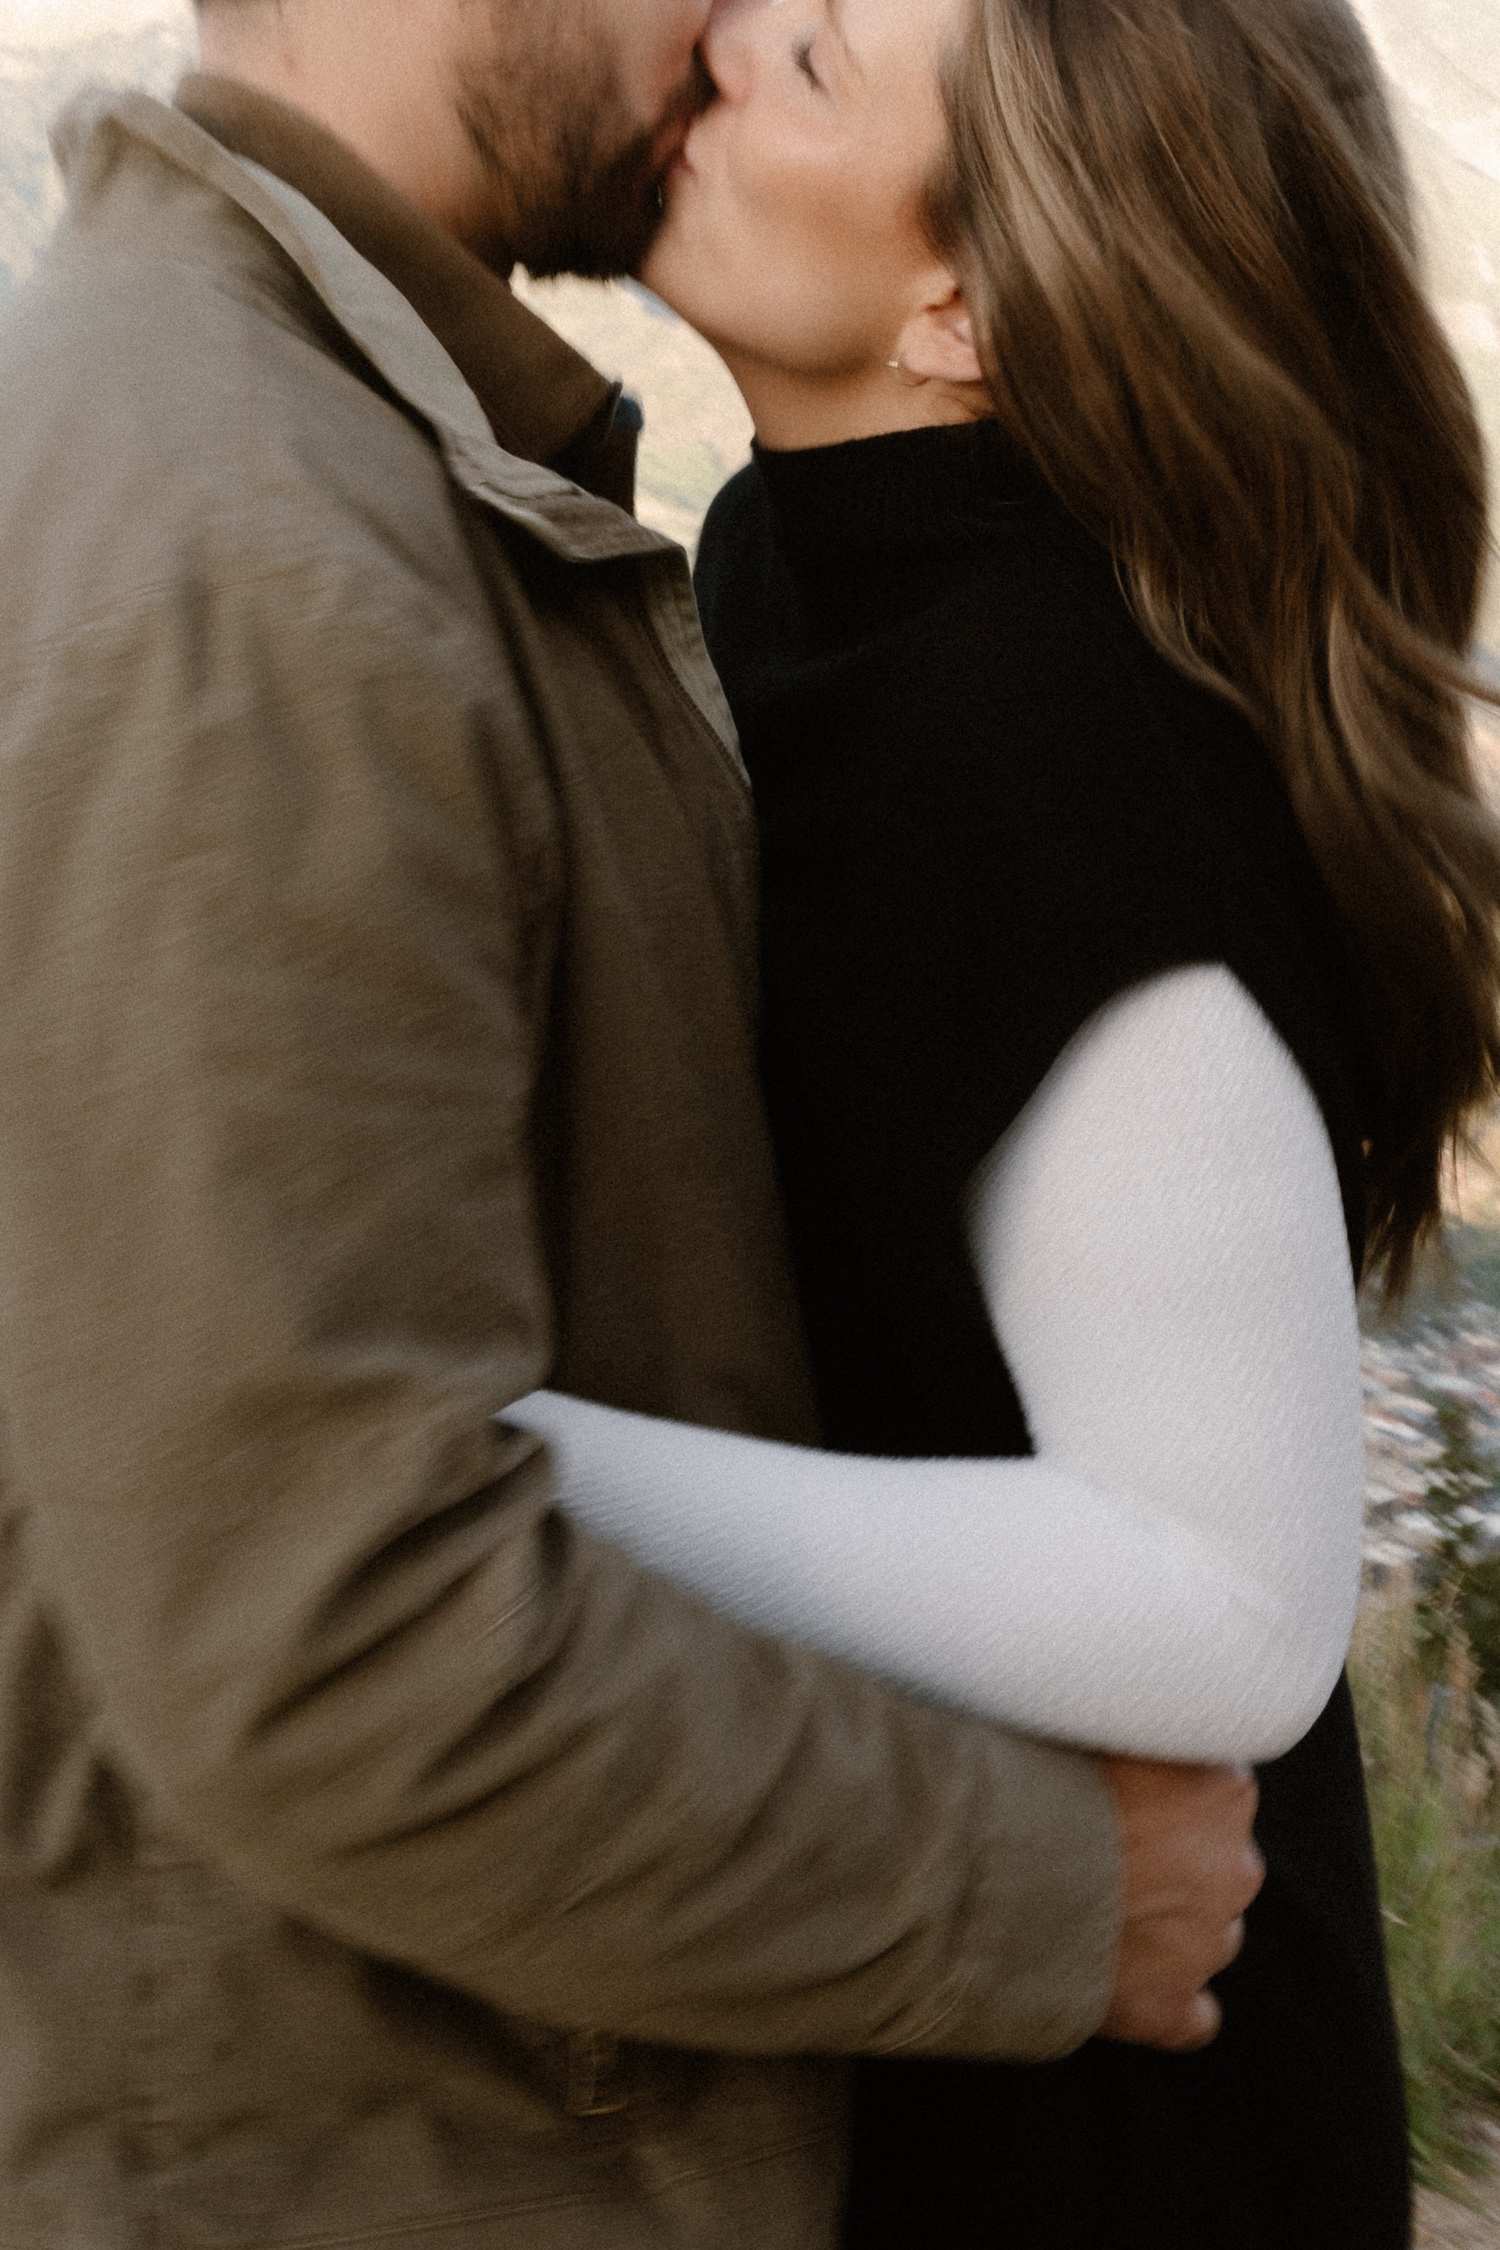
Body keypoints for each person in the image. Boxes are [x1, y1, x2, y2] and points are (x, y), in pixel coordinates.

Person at [0, 0, 1265, 2245]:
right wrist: (1050, 1891)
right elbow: (327, 1619)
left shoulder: (381, 478)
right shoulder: (260, 554)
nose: (726, 15)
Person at [510, 0, 1500, 2242]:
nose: (725, 43)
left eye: (824, 64)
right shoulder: (808, 556)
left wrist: (491, 1465)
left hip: (1126, 2122)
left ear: (967, 306)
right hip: (933, 1973)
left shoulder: (1054, 732)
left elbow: (1229, 1603)